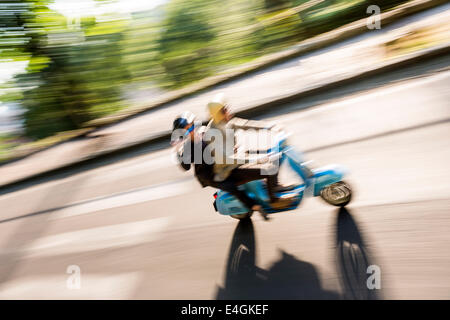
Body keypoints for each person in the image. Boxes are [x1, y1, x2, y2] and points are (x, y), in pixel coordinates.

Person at [205, 93, 296, 209]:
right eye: (225, 109)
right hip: (229, 171)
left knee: (274, 155)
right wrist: (256, 159)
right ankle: (274, 201)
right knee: (269, 168)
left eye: (227, 107)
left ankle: (275, 186)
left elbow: (246, 125)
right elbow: (228, 159)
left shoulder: (226, 121)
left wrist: (270, 126)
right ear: (219, 114)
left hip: (238, 160)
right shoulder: (212, 133)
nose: (229, 110)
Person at [171, 111, 263, 213]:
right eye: (187, 130)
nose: (192, 130)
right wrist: (178, 152)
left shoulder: (203, 132)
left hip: (221, 164)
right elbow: (186, 167)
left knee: (249, 159)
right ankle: (253, 205)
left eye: (192, 126)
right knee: (231, 185)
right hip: (209, 175)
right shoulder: (188, 147)